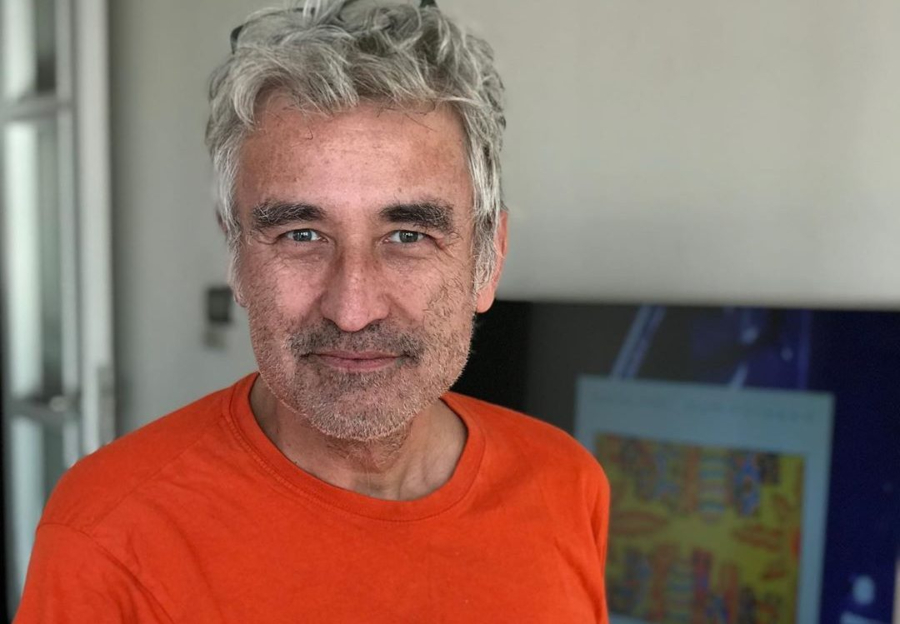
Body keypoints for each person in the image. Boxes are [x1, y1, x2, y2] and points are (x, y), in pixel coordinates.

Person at [16, 1, 610, 621]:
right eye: (300, 235)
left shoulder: (567, 485)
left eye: (408, 235)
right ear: (237, 256)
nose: (352, 310)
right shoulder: (108, 535)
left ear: (489, 259)